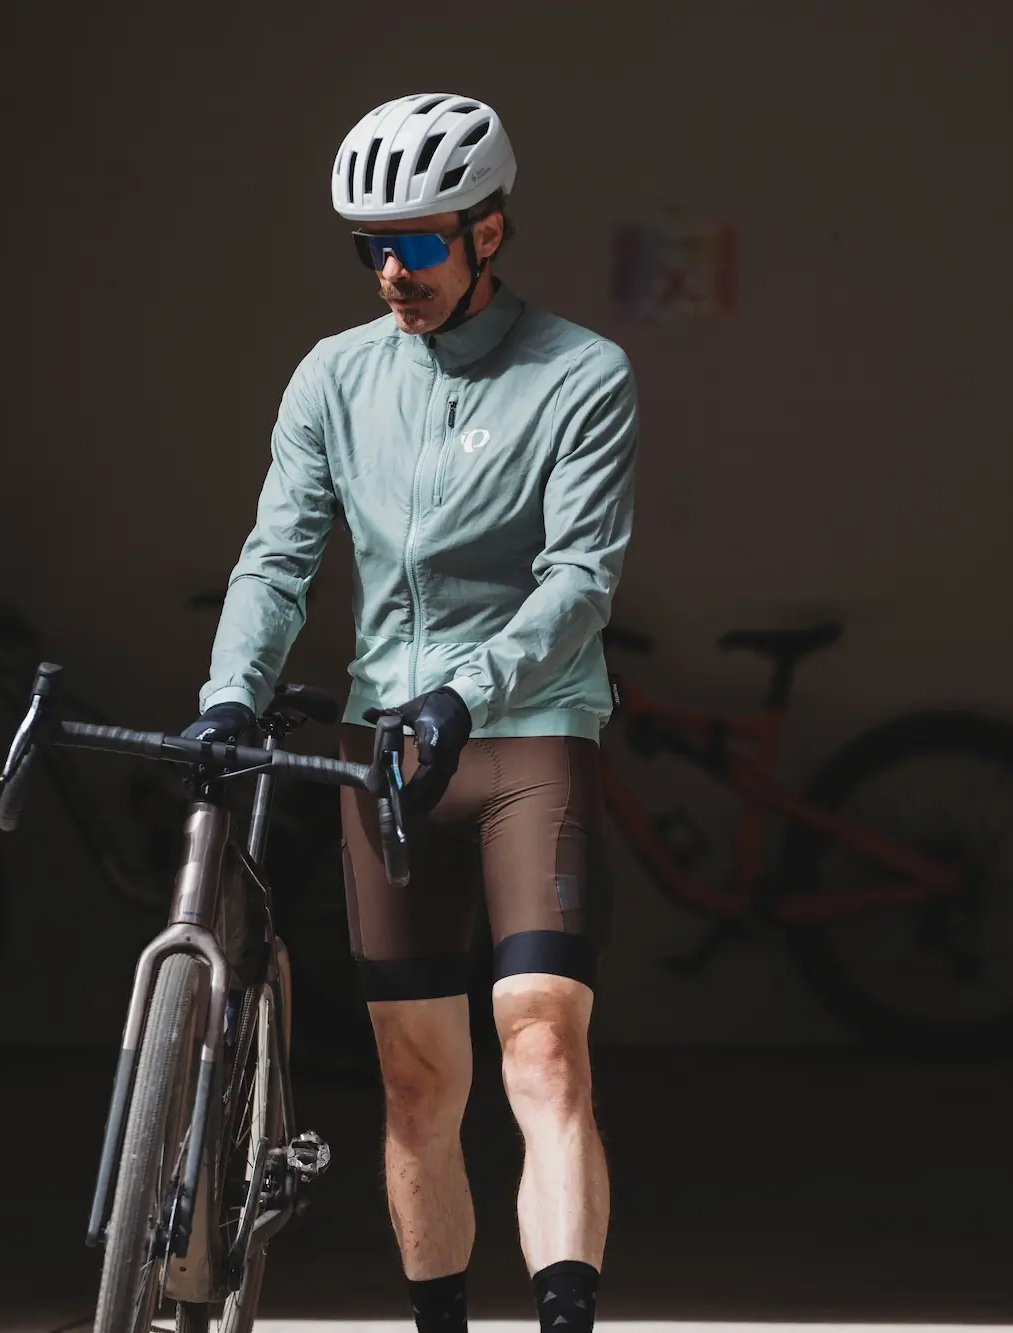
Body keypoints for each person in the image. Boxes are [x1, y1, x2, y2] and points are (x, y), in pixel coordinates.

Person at [184, 93, 637, 1333]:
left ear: (488, 232)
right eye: (369, 248)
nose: (394, 271)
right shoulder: (334, 377)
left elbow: (579, 578)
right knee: (412, 1081)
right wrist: (228, 694)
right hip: (381, 749)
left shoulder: (581, 373)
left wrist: (466, 689)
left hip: (529, 732)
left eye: (421, 243)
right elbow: (279, 558)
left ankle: (561, 1317)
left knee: (539, 1042)